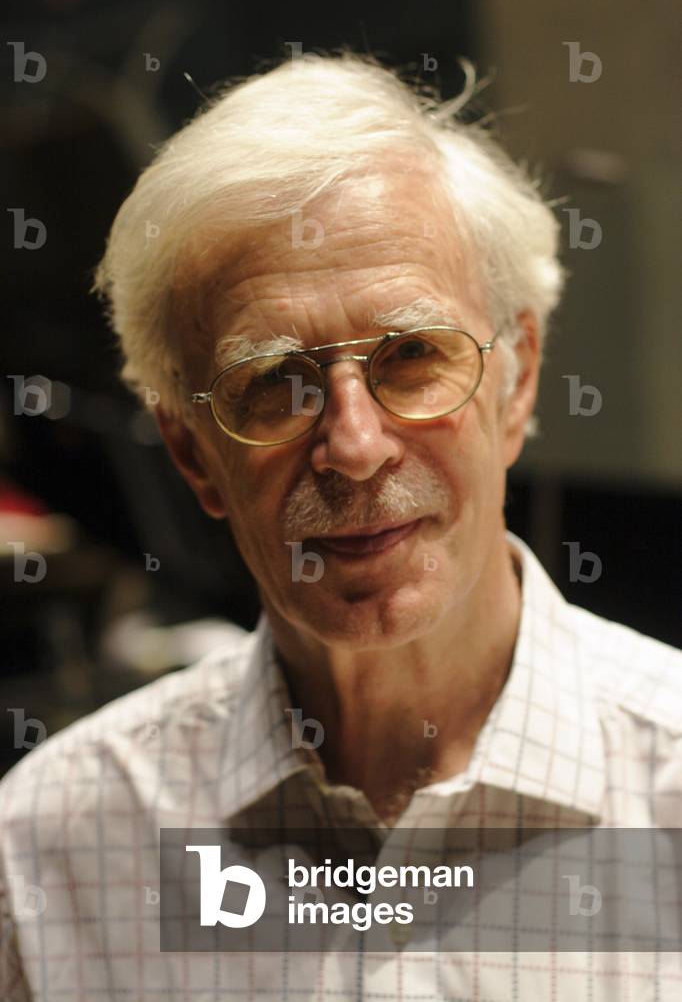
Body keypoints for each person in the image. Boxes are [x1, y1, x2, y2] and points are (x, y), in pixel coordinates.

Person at [1, 53, 680, 1000]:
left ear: (519, 378)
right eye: (273, 384)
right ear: (193, 451)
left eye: (411, 355)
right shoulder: (49, 849)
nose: (355, 447)